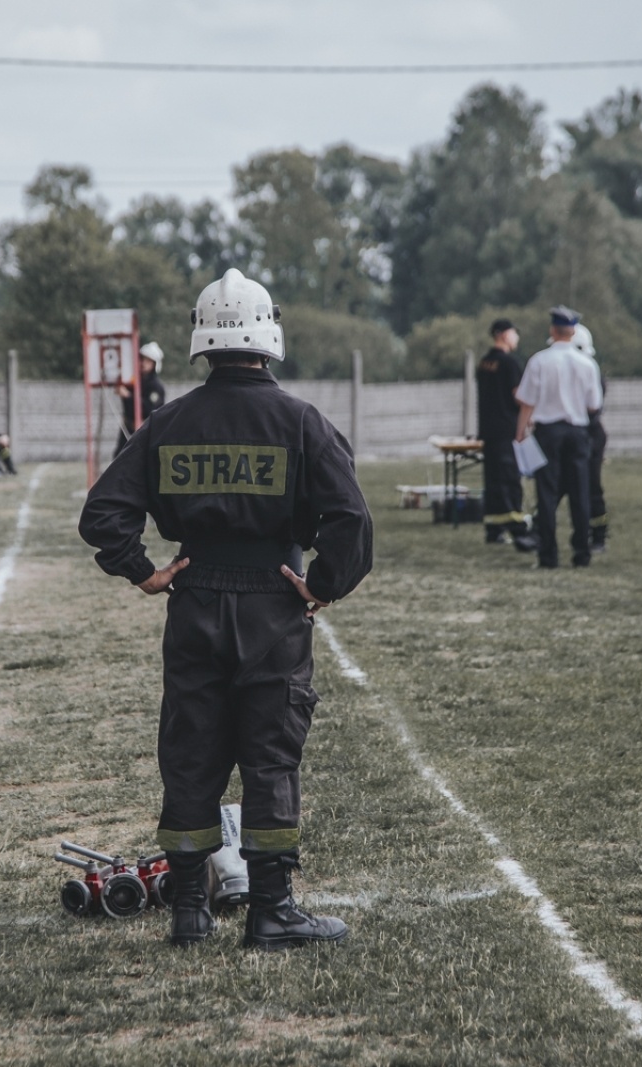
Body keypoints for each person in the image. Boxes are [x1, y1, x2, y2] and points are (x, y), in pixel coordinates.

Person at [79, 268, 373, 950]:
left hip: (196, 599)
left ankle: (190, 911)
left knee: (192, 756)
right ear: (270, 334)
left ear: (201, 339)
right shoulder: (302, 422)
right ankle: (273, 911)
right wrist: (322, 584)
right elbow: (350, 518)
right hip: (274, 602)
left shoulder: (168, 421)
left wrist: (144, 572)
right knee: (270, 759)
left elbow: (103, 513)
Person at [515, 307, 602, 569]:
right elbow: (593, 405)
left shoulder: (539, 361)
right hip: (577, 432)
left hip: (548, 432)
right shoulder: (587, 364)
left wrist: (520, 432)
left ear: (552, 331)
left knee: (547, 494)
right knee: (580, 493)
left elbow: (527, 402)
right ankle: (581, 553)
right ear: (574, 332)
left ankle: (548, 555)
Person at [475, 318, 534, 550]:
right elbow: (519, 395)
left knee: (492, 481)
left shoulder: (484, 363)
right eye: (514, 333)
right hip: (507, 429)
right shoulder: (510, 363)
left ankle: (494, 528)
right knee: (509, 480)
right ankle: (517, 529)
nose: (516, 337)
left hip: (488, 431)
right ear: (502, 335)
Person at [571, 322, 610, 554]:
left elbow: (593, 407)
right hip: (577, 435)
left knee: (592, 487)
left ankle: (598, 535)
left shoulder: (590, 371)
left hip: (589, 434)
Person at [115, 341, 168, 456]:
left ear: (154, 364)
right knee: (119, 458)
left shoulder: (156, 387)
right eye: (142, 359)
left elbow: (149, 408)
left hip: (146, 432)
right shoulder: (134, 382)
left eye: (148, 361)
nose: (143, 363)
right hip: (128, 428)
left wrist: (128, 396)